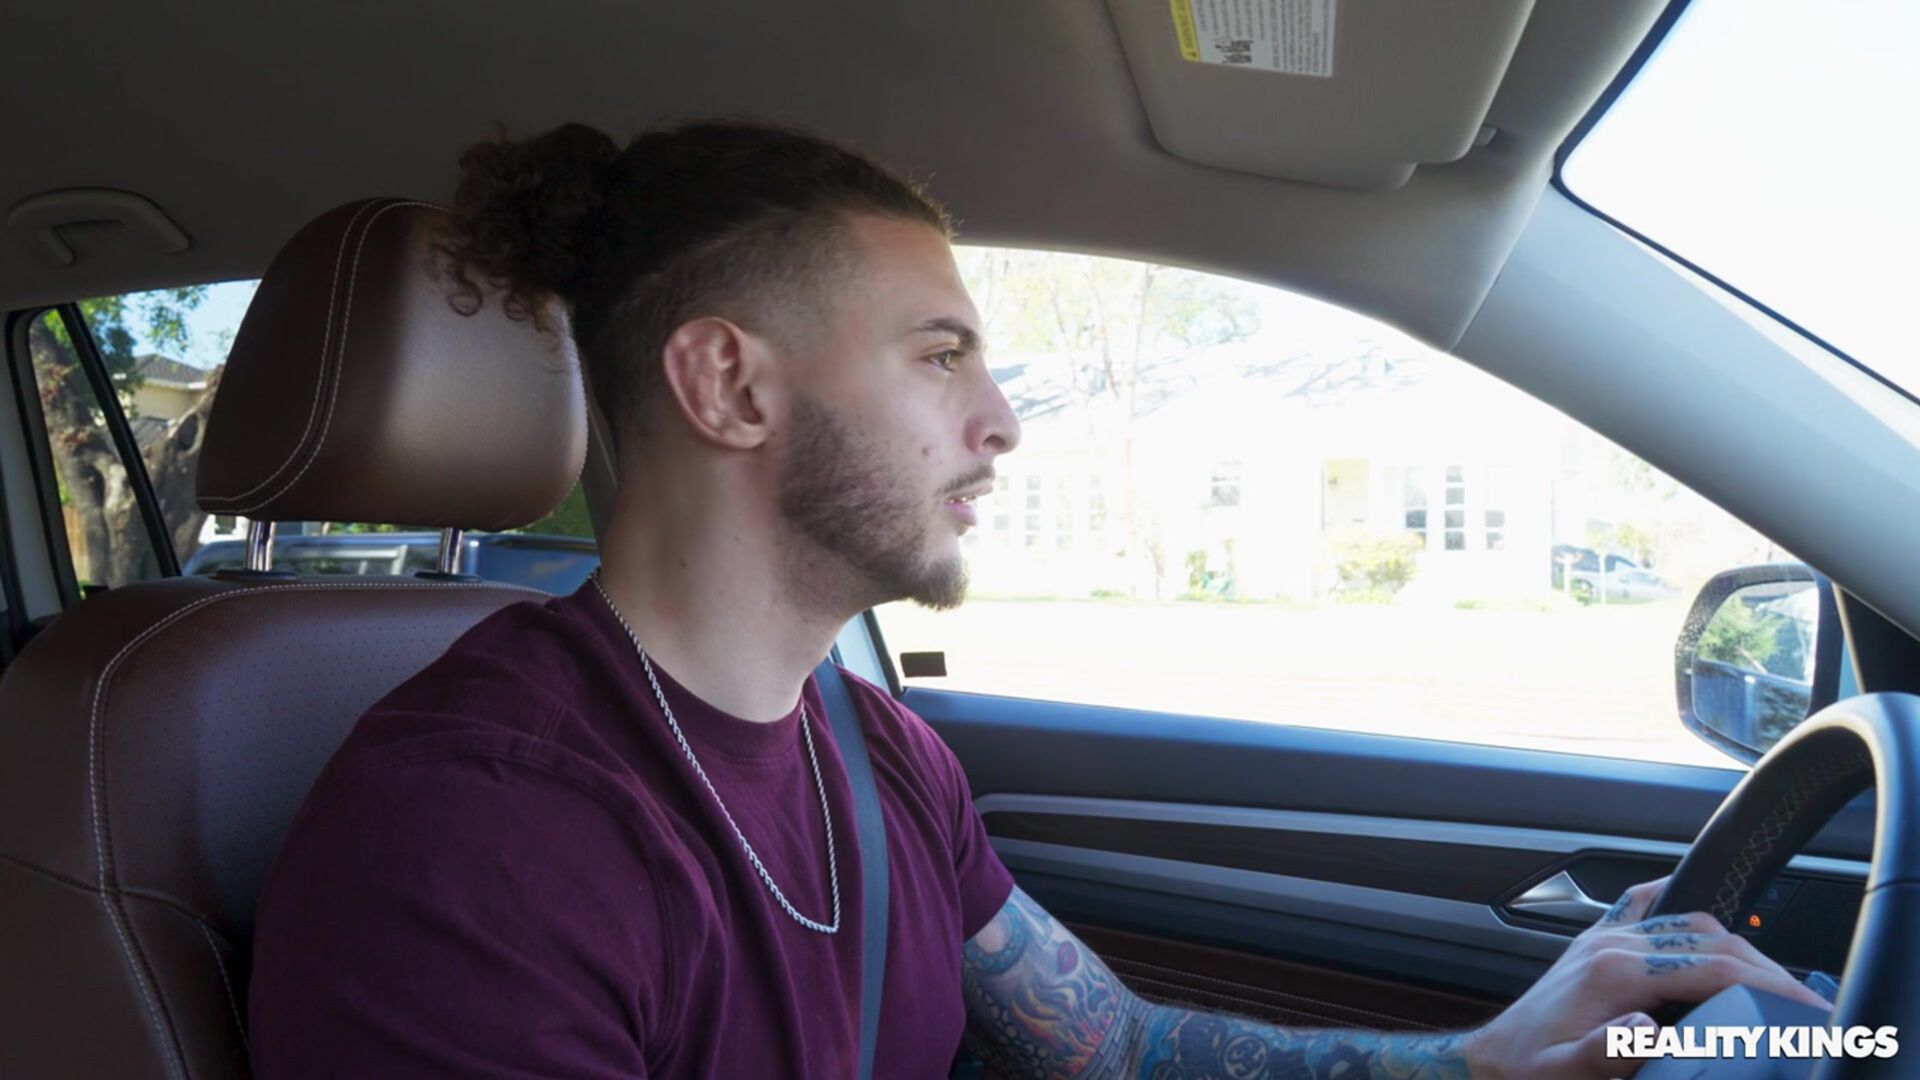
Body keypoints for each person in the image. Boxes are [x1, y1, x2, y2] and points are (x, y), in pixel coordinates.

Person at [246, 120, 1830, 1079]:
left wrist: (1488, 1055)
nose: (1002, 420)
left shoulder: (873, 753)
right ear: (728, 383)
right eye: (941, 356)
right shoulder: (474, 840)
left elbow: (1117, 1049)